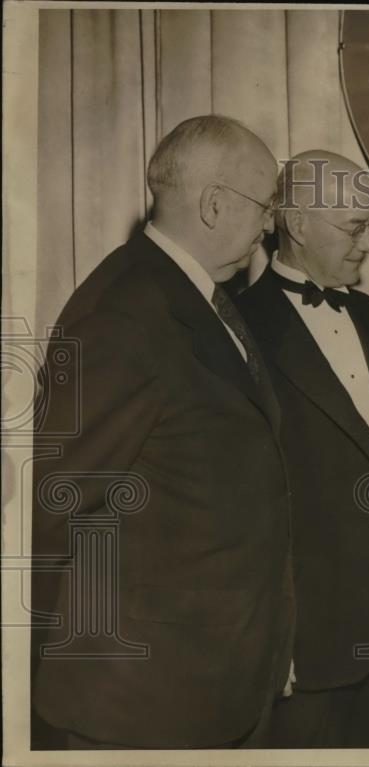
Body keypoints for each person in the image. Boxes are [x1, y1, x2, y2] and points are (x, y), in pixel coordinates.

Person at [31, 115, 295, 749]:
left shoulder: (194, 292)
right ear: (213, 204)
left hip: (215, 682)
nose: (269, 226)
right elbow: (51, 506)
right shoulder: (126, 309)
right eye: (266, 207)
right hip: (145, 701)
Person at [237, 150, 369, 748]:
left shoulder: (368, 313)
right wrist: (273, 634)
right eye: (354, 227)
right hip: (307, 635)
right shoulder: (239, 323)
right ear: (296, 223)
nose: (368, 244)